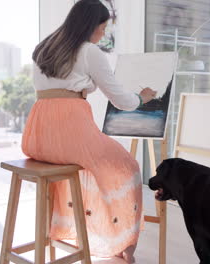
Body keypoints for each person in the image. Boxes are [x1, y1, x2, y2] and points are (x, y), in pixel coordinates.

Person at [21, 0, 157, 262]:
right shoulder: (89, 51)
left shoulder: (43, 49)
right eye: (103, 27)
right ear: (90, 25)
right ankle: (122, 242)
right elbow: (121, 100)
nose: (103, 33)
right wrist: (143, 98)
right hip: (70, 131)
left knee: (86, 166)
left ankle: (68, 227)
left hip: (37, 136)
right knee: (128, 167)